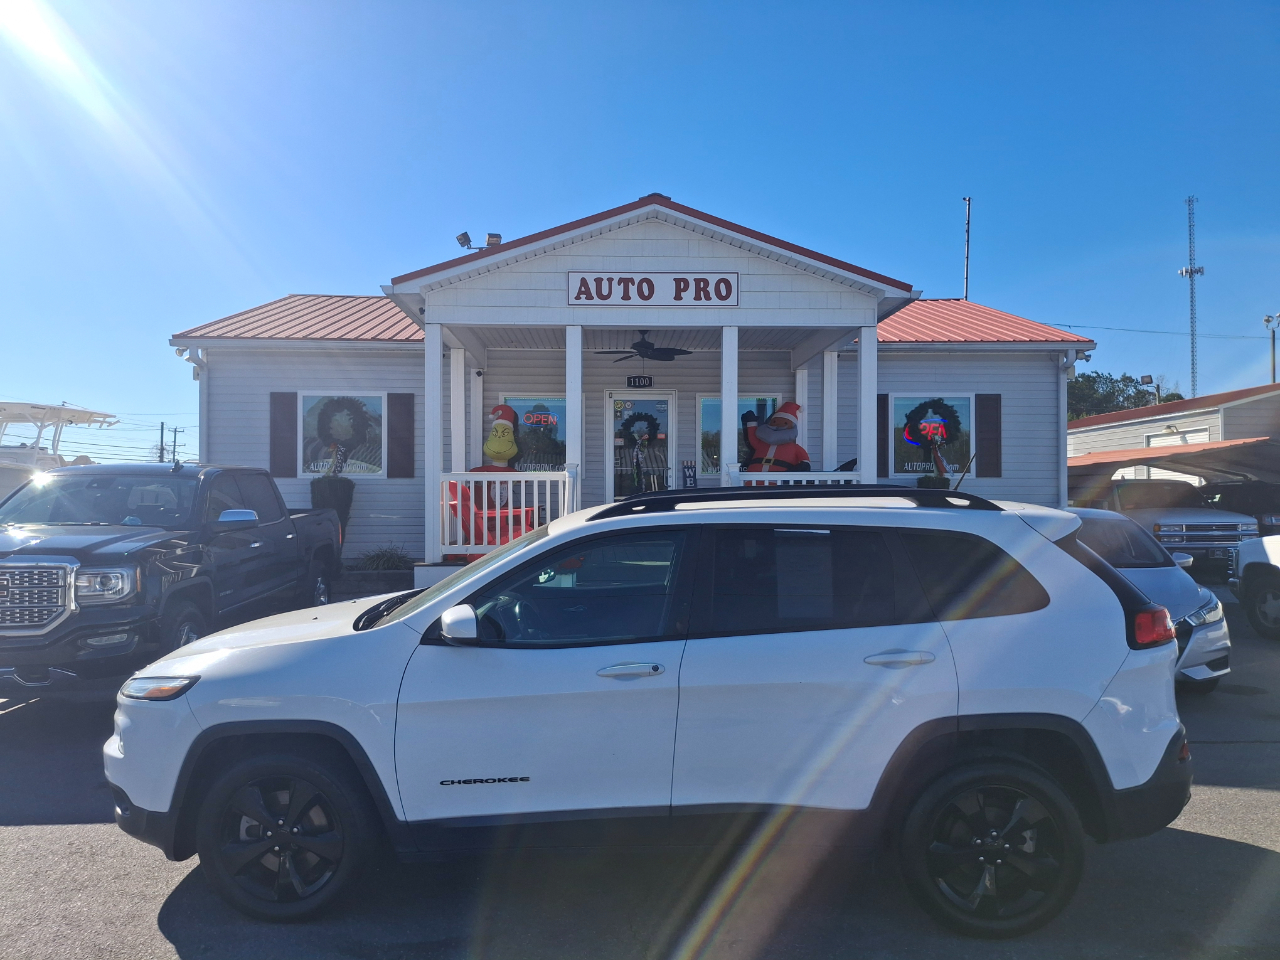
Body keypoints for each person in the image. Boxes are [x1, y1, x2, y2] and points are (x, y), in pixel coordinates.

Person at [741, 401, 811, 472]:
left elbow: (805, 463)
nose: (778, 426)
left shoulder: (795, 448)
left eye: (785, 423)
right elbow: (752, 438)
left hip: (778, 481)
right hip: (754, 480)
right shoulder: (761, 444)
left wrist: (794, 473)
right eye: (774, 422)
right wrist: (751, 422)